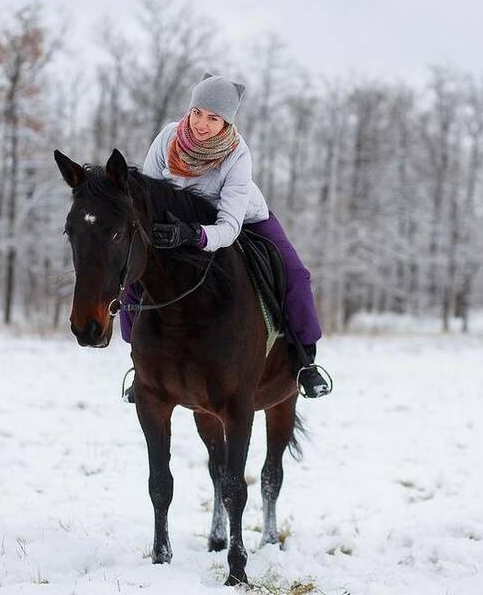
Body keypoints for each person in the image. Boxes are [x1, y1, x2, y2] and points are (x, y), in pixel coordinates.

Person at [120, 71, 332, 400]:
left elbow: (230, 228)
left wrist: (192, 235)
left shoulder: (237, 155)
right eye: (197, 113)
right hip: (177, 225)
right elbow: (148, 196)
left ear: (227, 123)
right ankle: (140, 364)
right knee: (134, 274)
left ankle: (305, 361)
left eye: (213, 118)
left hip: (240, 221)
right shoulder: (166, 138)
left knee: (297, 275)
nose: (202, 124)